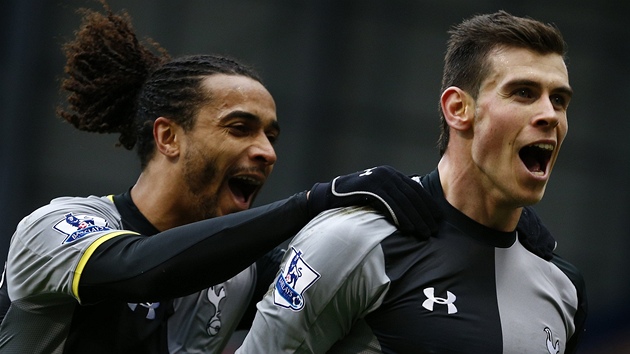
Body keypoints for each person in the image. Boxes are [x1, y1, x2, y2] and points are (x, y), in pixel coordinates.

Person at [0, 2, 442, 354]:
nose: (267, 152)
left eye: (271, 136)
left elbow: (346, 291)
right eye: (240, 128)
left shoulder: (241, 272)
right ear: (168, 136)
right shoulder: (52, 229)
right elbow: (143, 269)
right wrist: (310, 202)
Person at [237, 10, 587, 354]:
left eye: (559, 100)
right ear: (458, 109)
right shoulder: (354, 241)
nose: (550, 115)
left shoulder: (564, 287)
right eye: (524, 93)